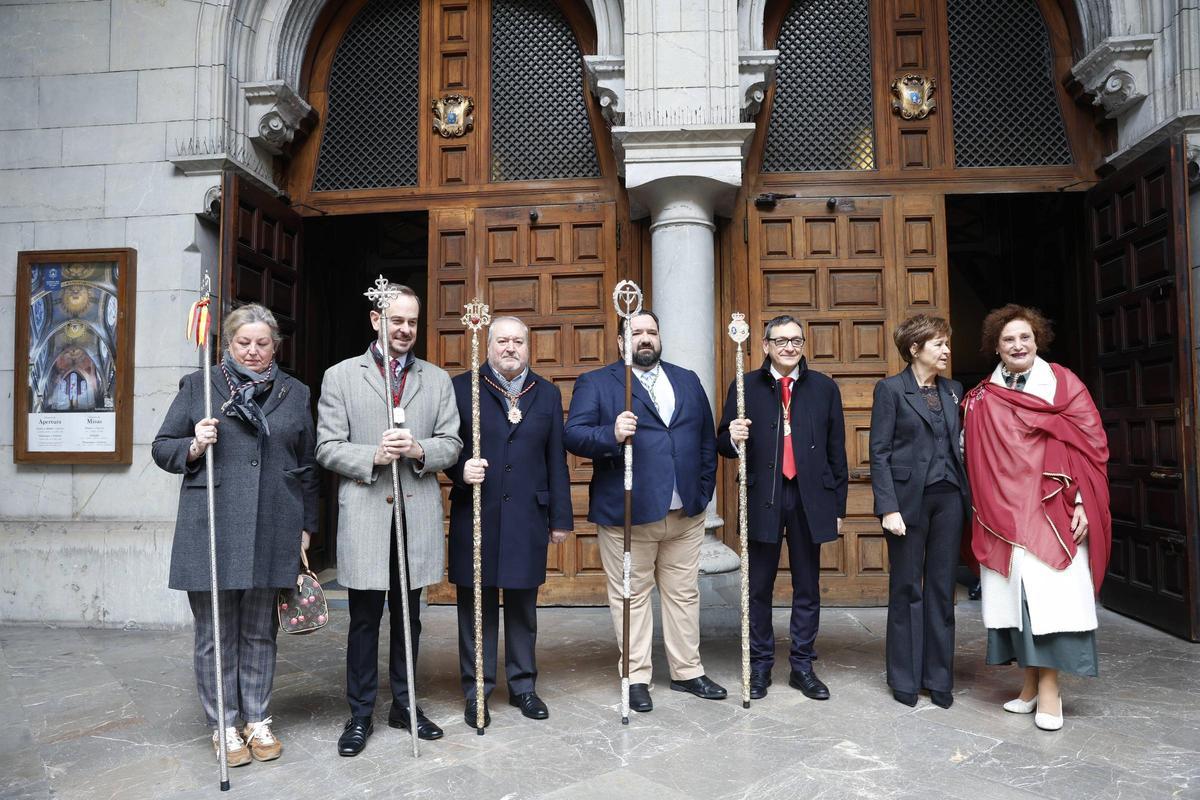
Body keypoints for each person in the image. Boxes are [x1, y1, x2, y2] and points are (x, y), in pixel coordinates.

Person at [153, 303, 318, 766]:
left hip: (274, 523)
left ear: (275, 346)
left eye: (262, 343)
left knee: (260, 631)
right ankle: (223, 724)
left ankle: (257, 719)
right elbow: (162, 447)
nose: (253, 351)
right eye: (244, 342)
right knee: (216, 633)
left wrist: (307, 525)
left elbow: (307, 464)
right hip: (213, 524)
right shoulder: (199, 386)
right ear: (228, 344)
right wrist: (194, 444)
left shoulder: (295, 392)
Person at [315, 284, 462, 755]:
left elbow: (452, 443)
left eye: (412, 322)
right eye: (396, 320)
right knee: (363, 620)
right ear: (376, 320)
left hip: (415, 513)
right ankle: (359, 714)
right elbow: (326, 447)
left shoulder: (435, 380)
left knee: (408, 617)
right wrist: (372, 455)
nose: (405, 329)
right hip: (366, 513)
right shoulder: (341, 376)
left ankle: (405, 704)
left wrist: (419, 448)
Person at [564, 309, 725, 712]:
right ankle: (635, 676)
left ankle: (687, 671)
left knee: (684, 594)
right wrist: (611, 434)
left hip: (685, 512)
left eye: (651, 331)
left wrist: (703, 491)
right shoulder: (598, 382)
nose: (646, 338)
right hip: (628, 513)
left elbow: (706, 439)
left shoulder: (687, 379)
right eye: (636, 333)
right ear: (622, 341)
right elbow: (574, 435)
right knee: (631, 597)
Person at [963, 304, 1111, 731]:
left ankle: (1050, 691)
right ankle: (1029, 686)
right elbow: (972, 456)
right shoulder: (981, 397)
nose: (1017, 345)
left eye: (1024, 337)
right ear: (996, 347)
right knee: (1020, 604)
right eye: (1008, 339)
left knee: (1050, 603)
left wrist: (1082, 502)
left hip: (1053, 510)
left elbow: (1093, 447)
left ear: (1037, 340)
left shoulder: (1064, 384)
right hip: (1002, 514)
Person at [446, 316, 572, 728]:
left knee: (522, 606)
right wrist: (460, 469)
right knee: (475, 607)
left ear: (528, 347)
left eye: (518, 341)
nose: (510, 348)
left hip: (527, 517)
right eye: (502, 341)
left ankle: (523, 686)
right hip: (476, 513)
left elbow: (556, 459)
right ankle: (476, 691)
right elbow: (445, 446)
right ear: (488, 346)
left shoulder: (547, 393)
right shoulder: (462, 388)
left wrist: (560, 518)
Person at [718, 314, 846, 701]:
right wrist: (733, 435)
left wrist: (838, 506)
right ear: (765, 346)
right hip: (764, 496)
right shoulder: (745, 386)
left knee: (807, 585)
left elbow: (836, 452)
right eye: (781, 341)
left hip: (810, 497)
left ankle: (802, 666)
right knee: (758, 587)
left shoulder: (824, 388)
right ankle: (760, 665)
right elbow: (722, 444)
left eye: (796, 341)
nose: (789, 347)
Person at [868, 314, 969, 708]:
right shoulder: (890, 390)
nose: (946, 350)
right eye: (938, 344)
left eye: (946, 343)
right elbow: (879, 453)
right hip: (907, 503)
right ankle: (905, 678)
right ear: (915, 348)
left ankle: (939, 677)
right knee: (907, 588)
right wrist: (888, 507)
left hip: (949, 499)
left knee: (942, 590)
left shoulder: (954, 390)